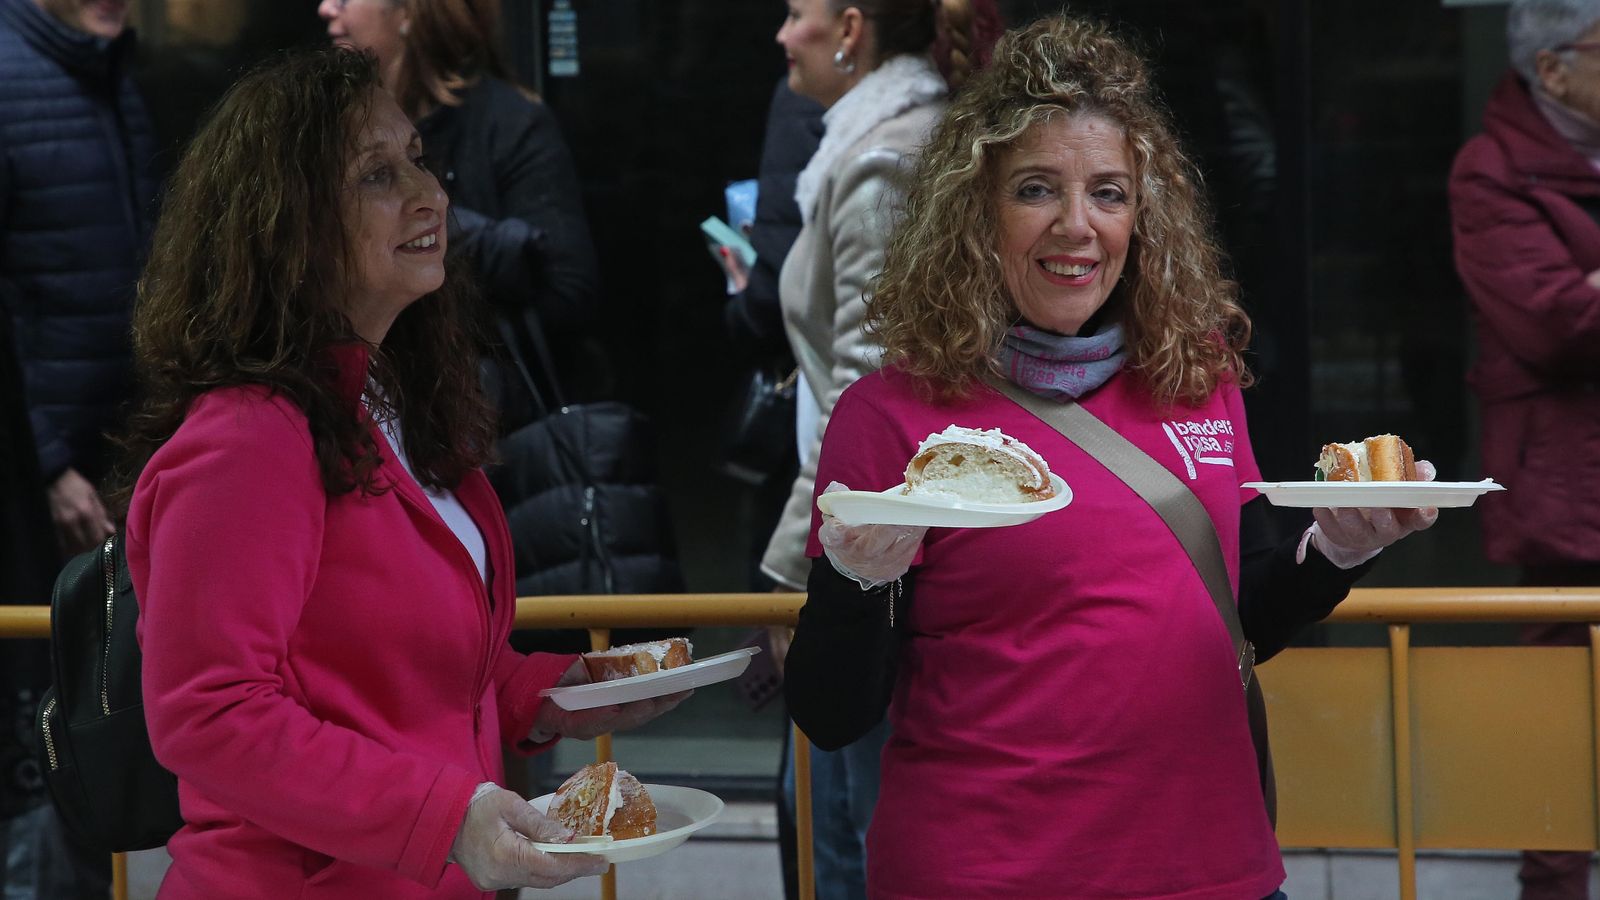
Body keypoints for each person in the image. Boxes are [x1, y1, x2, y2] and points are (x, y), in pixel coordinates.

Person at [784, 15, 1439, 898]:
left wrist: (1337, 551)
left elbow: (1238, 617)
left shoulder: (1197, 379)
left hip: (1214, 872)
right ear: (975, 210)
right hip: (988, 875)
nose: (1076, 227)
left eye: (1108, 193)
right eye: (1035, 190)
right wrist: (864, 583)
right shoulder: (890, 417)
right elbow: (831, 713)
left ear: (1144, 212)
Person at [113, 48, 687, 899]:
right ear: (288, 224)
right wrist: (447, 820)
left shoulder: (384, 408)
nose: (432, 196)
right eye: (377, 176)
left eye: (418, 158)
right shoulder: (247, 437)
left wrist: (560, 692)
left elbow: (415, 675)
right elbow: (210, 714)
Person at [760, 2, 996, 896]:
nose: (783, 36)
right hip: (901, 524)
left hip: (884, 541)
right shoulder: (885, 142)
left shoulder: (883, 159)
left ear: (851, 28)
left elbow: (868, 400)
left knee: (850, 826)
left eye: (795, 13)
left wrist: (795, 569)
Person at [0, 0, 156, 894]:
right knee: (46, 703)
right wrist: (50, 460)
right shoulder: (20, 71)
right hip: (36, 475)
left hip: (116, 453)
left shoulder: (113, 77)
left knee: (102, 697)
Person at [1450, 2, 1600, 896]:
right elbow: (1556, 325)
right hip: (1567, 492)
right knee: (1559, 722)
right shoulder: (1492, 171)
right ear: (1554, 71)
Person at [317, 0, 599, 400]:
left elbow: (570, 292)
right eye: (377, 173)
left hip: (480, 415)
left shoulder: (508, 123)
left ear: (410, 12)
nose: (327, 8)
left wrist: (453, 239)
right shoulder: (331, 128)